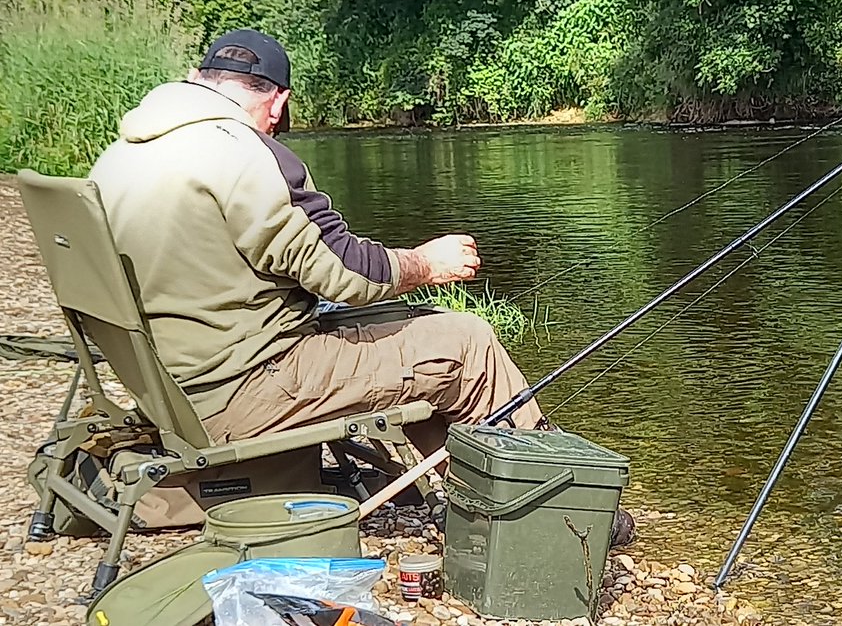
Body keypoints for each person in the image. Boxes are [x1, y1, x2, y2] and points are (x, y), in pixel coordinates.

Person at [86, 28, 634, 546]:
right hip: (239, 393)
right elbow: (345, 271)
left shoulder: (120, 154)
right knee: (467, 344)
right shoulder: (243, 153)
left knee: (420, 330)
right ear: (277, 102)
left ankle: (475, 491)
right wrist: (426, 263)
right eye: (281, 115)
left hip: (169, 389)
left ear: (198, 79)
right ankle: (561, 506)